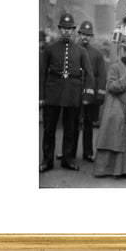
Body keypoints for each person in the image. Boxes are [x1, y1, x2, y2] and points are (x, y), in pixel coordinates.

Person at [39, 12, 94, 172]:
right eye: (64, 28)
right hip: (53, 93)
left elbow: (90, 74)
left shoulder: (80, 51)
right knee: (49, 129)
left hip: (72, 94)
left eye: (69, 29)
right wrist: (41, 97)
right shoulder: (50, 49)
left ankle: (68, 159)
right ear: (60, 28)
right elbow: (42, 73)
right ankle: (47, 161)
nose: (66, 31)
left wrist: (86, 96)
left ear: (73, 30)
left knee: (71, 129)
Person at [93, 41, 126, 182]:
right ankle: (114, 170)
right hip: (118, 108)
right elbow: (110, 87)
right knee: (117, 139)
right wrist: (125, 80)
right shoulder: (115, 67)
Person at [72, 20, 107, 162]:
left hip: (90, 95)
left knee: (88, 125)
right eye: (83, 34)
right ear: (79, 34)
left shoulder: (97, 54)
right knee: (72, 124)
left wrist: (99, 96)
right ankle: (70, 153)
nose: (85, 37)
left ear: (91, 37)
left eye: (88, 35)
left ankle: (87, 153)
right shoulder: (72, 49)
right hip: (74, 93)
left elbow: (102, 76)